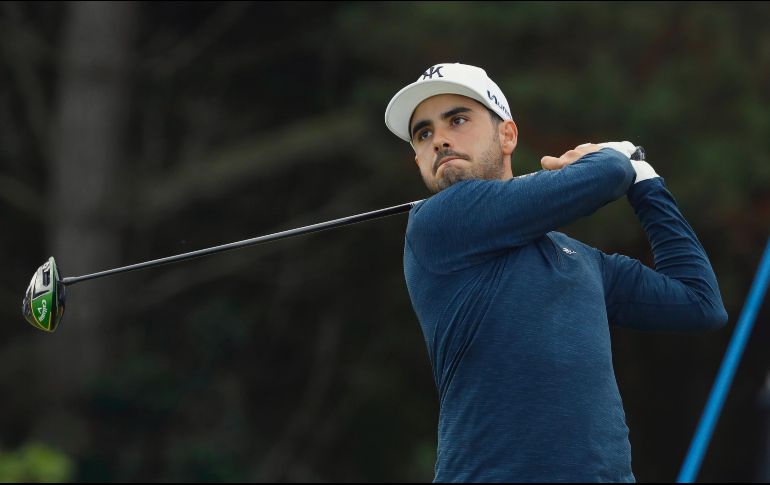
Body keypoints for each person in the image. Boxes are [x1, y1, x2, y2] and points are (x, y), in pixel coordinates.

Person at [384, 63, 728, 482]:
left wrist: (647, 181)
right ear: (417, 157)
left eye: (457, 120)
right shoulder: (437, 224)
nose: (439, 139)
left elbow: (700, 303)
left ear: (507, 134)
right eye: (424, 133)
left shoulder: (580, 259)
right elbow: (607, 173)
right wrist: (619, 156)